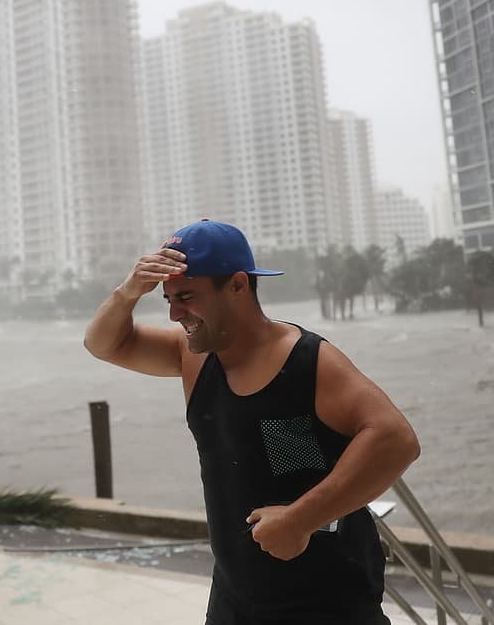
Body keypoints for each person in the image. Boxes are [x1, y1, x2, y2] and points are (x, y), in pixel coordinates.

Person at [84, 219, 420, 624]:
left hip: (328, 601)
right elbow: (103, 344)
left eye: (186, 297)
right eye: (168, 300)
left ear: (239, 286)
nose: (175, 315)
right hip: (236, 597)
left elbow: (395, 439)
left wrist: (301, 519)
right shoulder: (193, 357)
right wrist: (128, 292)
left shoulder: (307, 363)